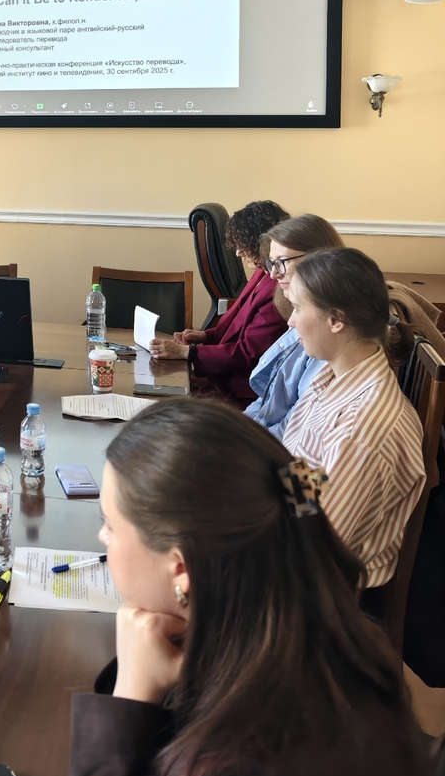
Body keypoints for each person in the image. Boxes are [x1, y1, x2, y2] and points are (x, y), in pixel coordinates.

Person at [67, 399, 432, 776]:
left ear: (181, 569)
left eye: (110, 525)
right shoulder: (303, 639)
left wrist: (130, 699)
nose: (102, 537)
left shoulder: (233, 765)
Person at [282, 248, 424, 588]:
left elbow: (317, 547)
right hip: (289, 534)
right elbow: (299, 474)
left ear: (336, 320)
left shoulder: (361, 431)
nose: (290, 321)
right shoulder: (331, 376)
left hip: (316, 586)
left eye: (298, 308)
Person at [151, 199, 289, 404]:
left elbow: (246, 353)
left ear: (261, 242)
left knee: (164, 399)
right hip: (223, 377)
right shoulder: (262, 272)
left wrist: (187, 352)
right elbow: (239, 324)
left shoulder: (277, 289)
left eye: (243, 244)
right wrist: (205, 335)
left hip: (239, 390)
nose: (238, 252)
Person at [244, 213, 343, 438]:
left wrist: (239, 443)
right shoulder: (301, 312)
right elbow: (268, 401)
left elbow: (295, 433)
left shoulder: (326, 337)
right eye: (271, 263)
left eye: (281, 262)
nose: (272, 274)